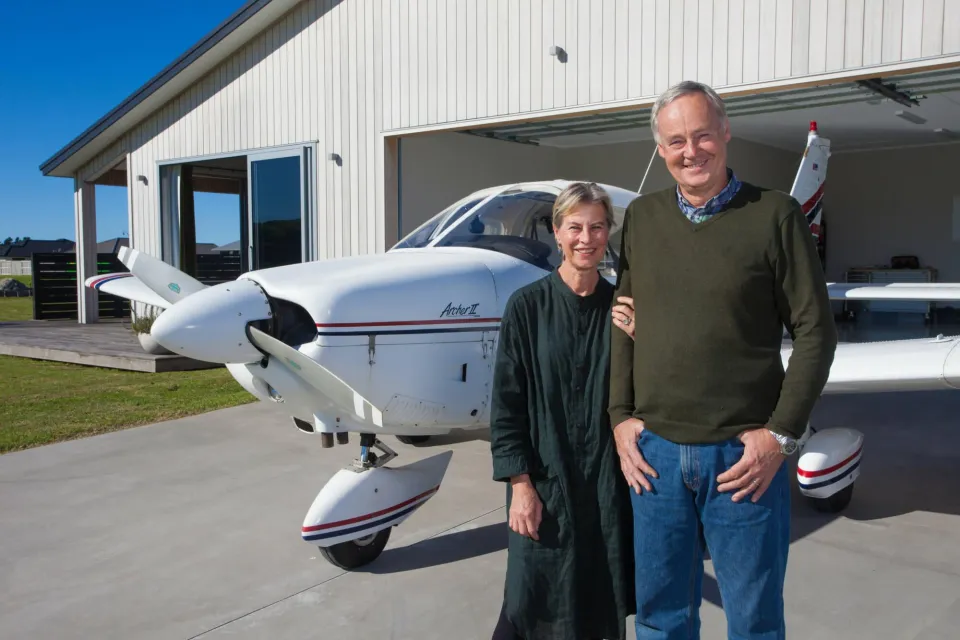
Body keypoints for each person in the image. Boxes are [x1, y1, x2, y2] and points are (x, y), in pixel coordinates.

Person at [608, 80, 838, 639]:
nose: (692, 151)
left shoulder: (775, 216)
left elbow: (816, 332)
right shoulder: (642, 217)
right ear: (661, 150)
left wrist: (780, 435)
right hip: (655, 458)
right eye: (676, 141)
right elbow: (624, 316)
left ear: (726, 132)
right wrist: (620, 417)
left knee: (754, 621)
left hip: (743, 460)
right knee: (661, 618)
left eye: (703, 135)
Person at [490, 182, 636, 640]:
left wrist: (644, 340)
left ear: (607, 233)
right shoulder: (526, 308)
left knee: (597, 606)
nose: (585, 238)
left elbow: (646, 396)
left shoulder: (623, 309)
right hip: (543, 485)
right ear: (557, 232)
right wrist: (520, 484)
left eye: (596, 227)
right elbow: (507, 406)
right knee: (526, 602)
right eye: (575, 227)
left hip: (605, 493)